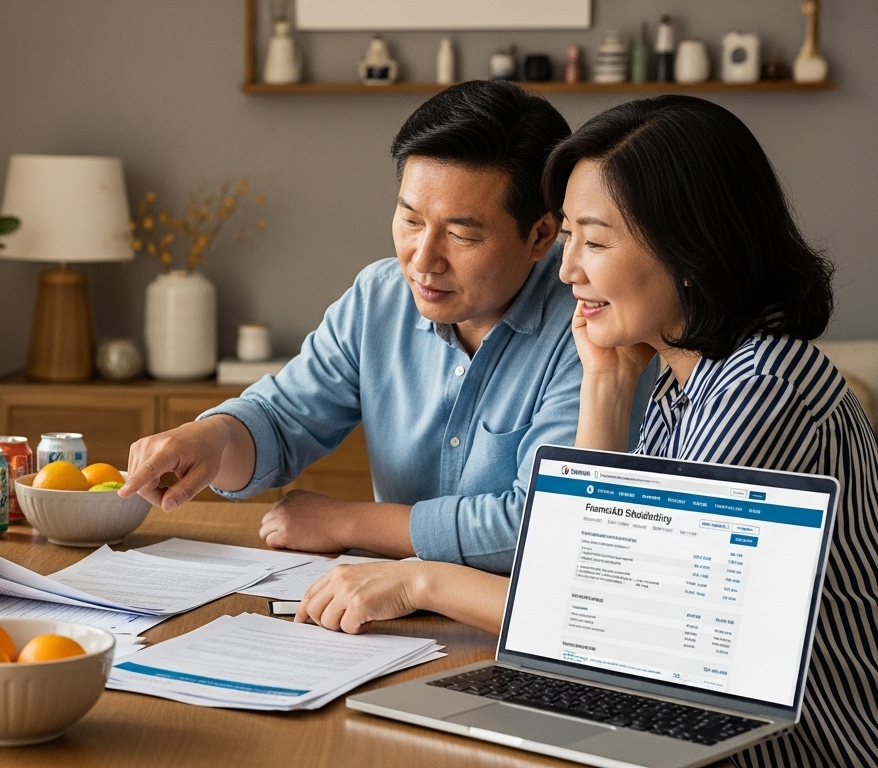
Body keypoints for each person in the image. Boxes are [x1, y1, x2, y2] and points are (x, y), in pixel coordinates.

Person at [300, 95, 878, 767]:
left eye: (595, 242)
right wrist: (605, 384)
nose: (568, 269)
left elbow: (614, 629)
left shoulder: (760, 390)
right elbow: (582, 571)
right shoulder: (687, 377)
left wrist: (419, 582)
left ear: (691, 249)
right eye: (569, 236)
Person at [123, 80, 646, 571]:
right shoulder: (379, 298)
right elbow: (281, 422)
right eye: (411, 220)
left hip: (508, 618)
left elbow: (542, 523)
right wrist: (212, 439)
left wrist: (351, 523)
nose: (423, 260)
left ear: (540, 235)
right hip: (378, 606)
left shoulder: (591, 324)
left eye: (462, 236)